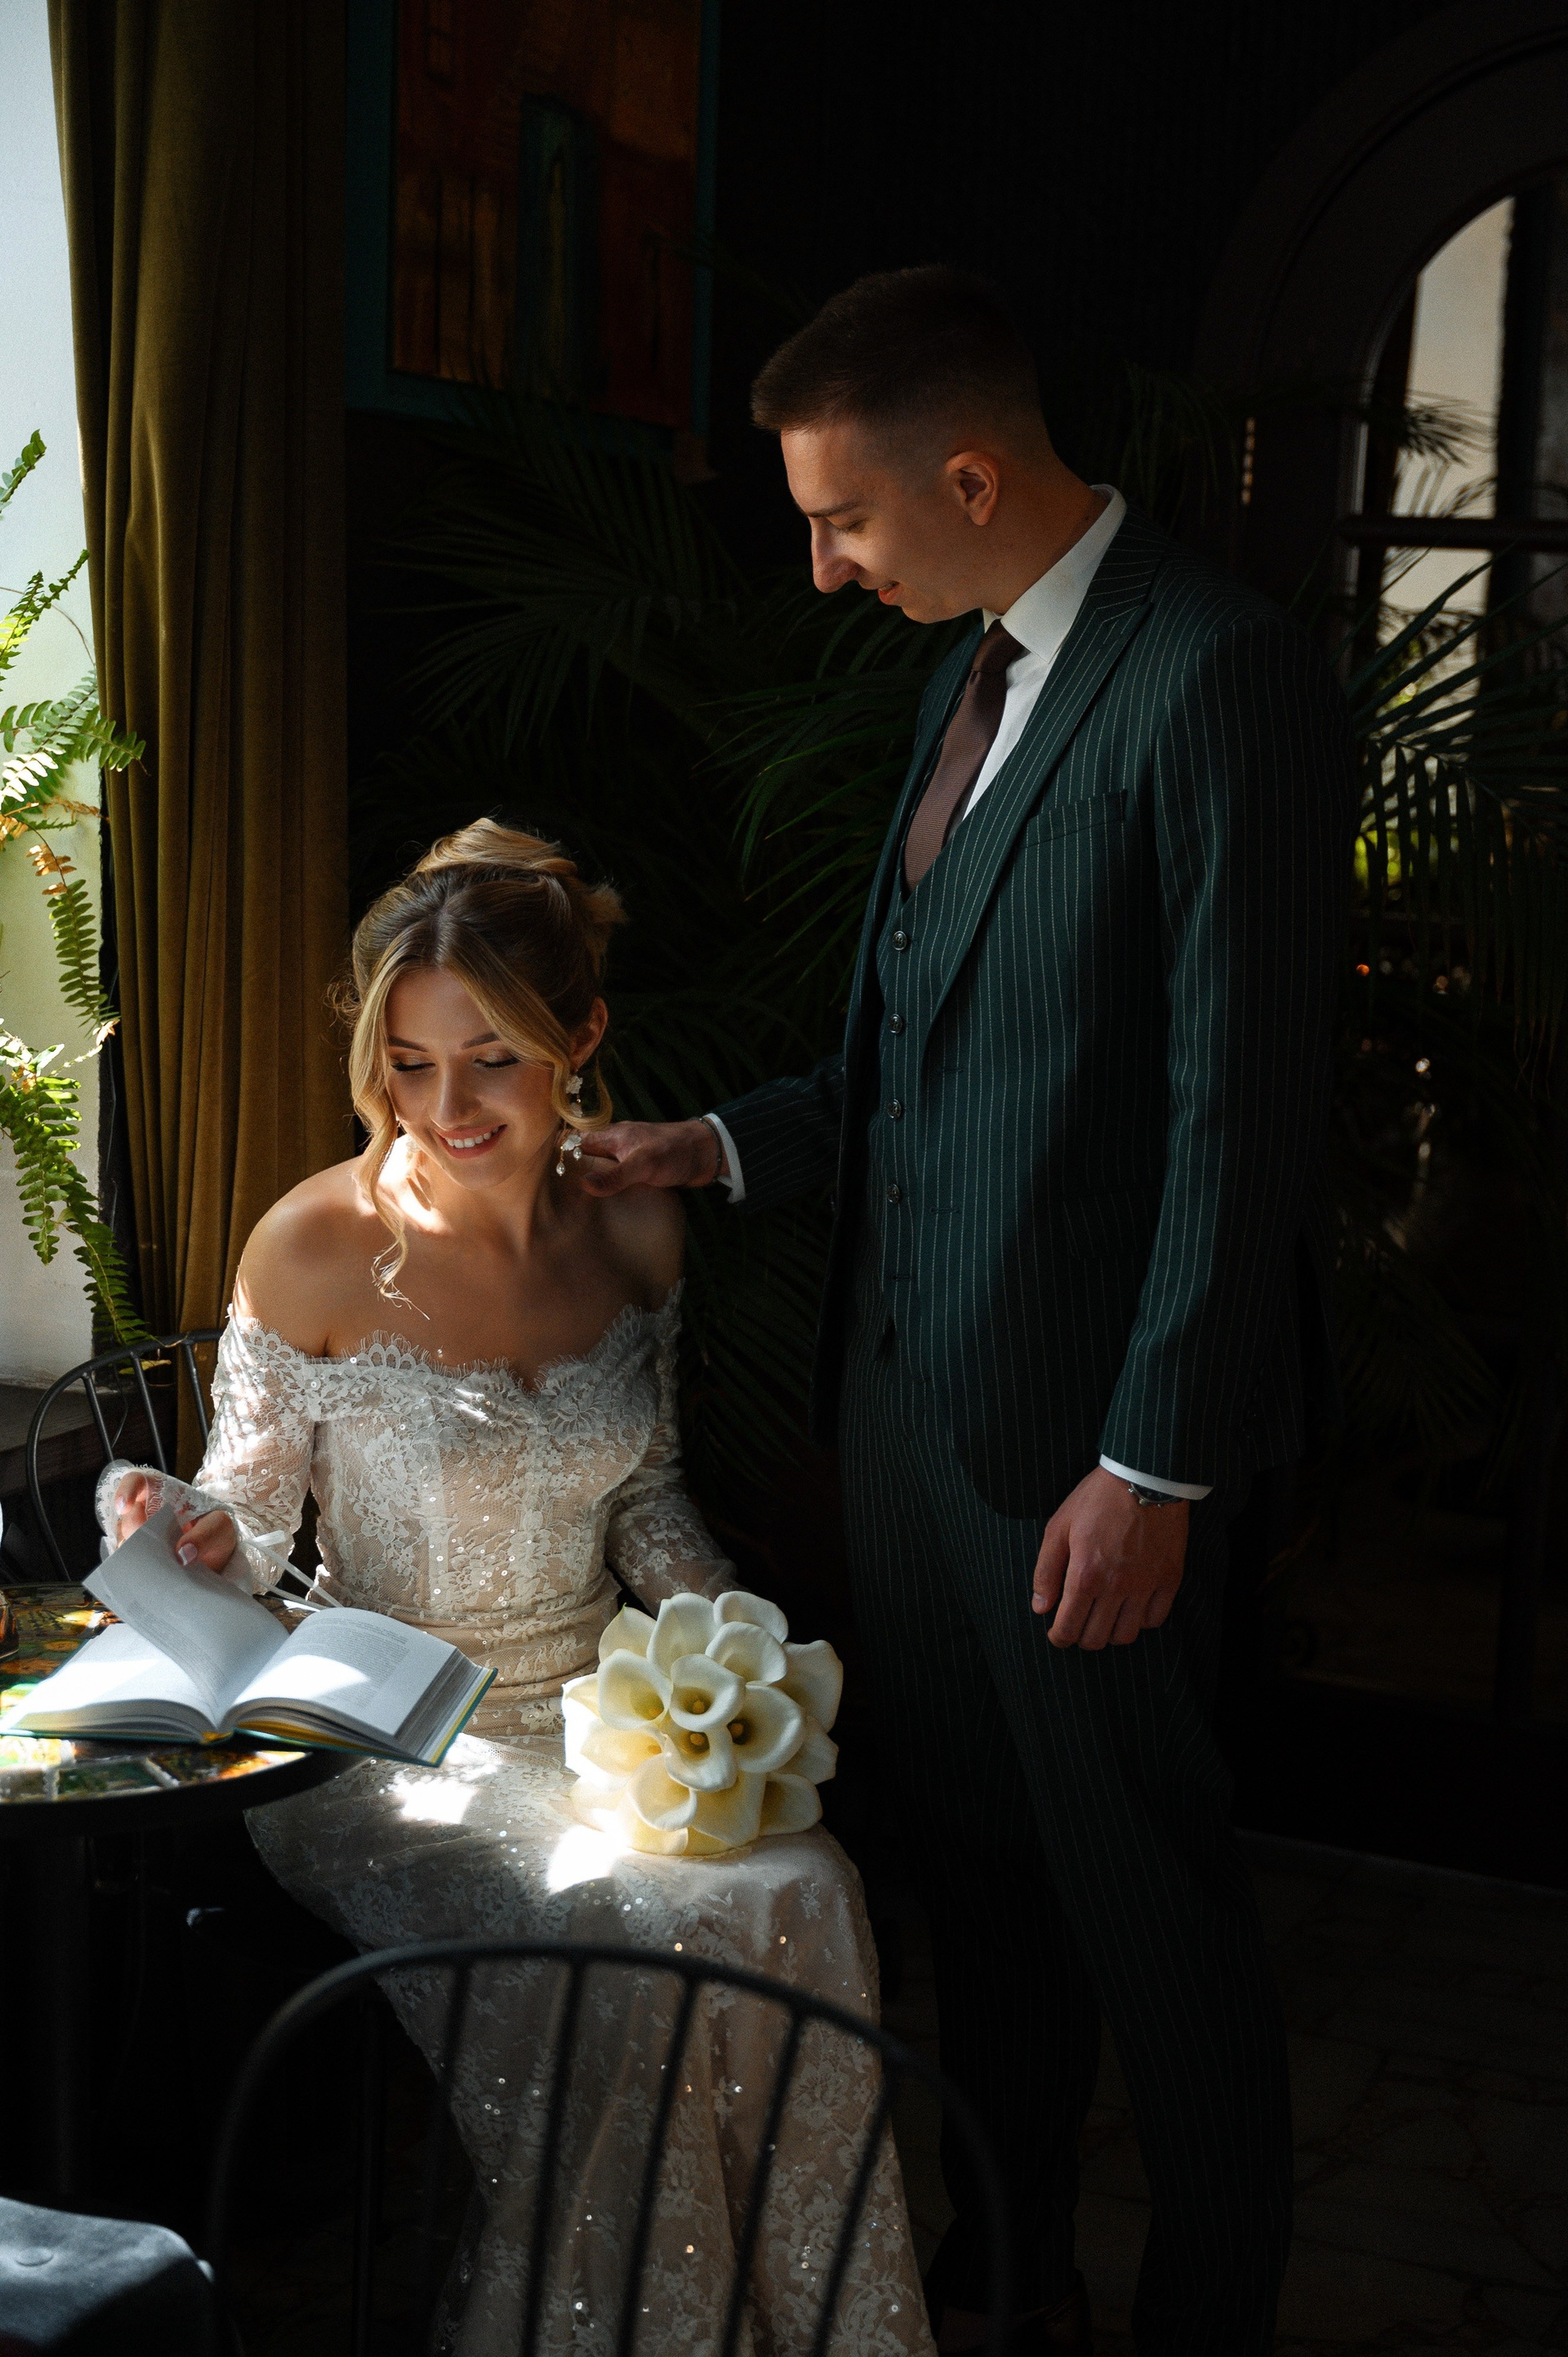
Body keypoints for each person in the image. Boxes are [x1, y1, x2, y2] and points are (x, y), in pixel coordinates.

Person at [577, 269, 1356, 2356]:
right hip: (913, 1441)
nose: (826, 567)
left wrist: (1153, 1465)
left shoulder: (1218, 677)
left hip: (1092, 1465)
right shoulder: (970, 669)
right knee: (987, 1913)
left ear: (977, 476)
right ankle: (1009, 2298)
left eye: (844, 519)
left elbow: (1238, 1123)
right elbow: (918, 1058)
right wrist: (708, 1146)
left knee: (1155, 1929)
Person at [105, 822, 933, 2356]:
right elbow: (248, 1523)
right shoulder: (314, 1242)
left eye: (491, 1058)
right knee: (610, 1934)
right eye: (411, 1064)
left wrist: (744, 1651)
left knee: (803, 1887)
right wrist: (182, 1526)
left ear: (581, 1037)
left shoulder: (636, 1223)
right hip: (383, 1737)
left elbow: (649, 1498)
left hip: (604, 1711)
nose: (449, 1107)